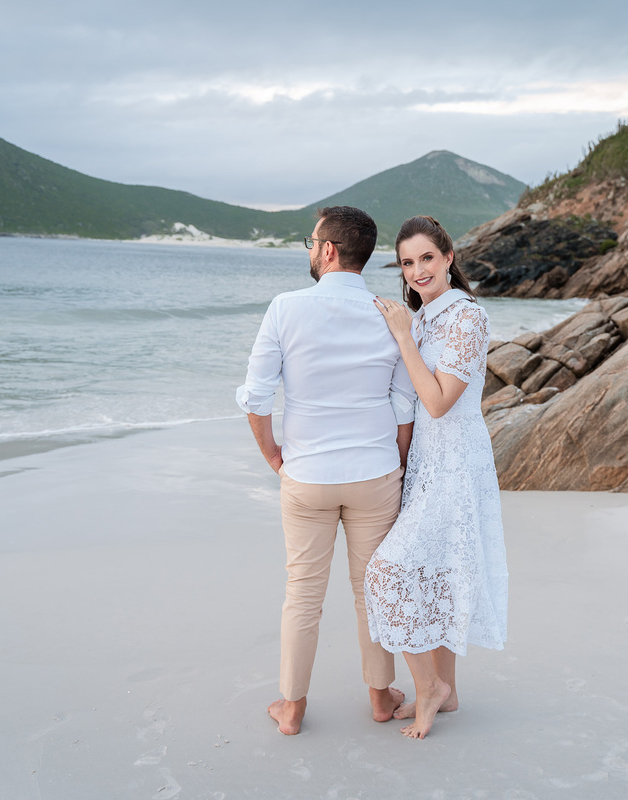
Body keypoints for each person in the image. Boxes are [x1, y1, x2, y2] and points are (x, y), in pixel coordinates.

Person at [236, 206, 416, 735]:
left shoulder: (285, 308)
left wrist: (273, 455)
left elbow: (257, 397)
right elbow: (404, 407)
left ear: (329, 250)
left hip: (308, 475)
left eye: (311, 242)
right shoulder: (390, 312)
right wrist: (397, 466)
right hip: (375, 474)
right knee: (371, 591)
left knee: (303, 593)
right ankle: (381, 700)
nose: (310, 250)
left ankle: (291, 707)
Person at [365, 215, 509, 739]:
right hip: (427, 460)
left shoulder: (464, 317)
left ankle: (428, 687)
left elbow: (439, 401)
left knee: (388, 572)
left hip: (455, 463)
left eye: (427, 257)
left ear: (449, 257)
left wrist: (402, 334)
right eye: (407, 261)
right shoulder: (426, 316)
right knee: (437, 573)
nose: (418, 269)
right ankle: (446, 692)